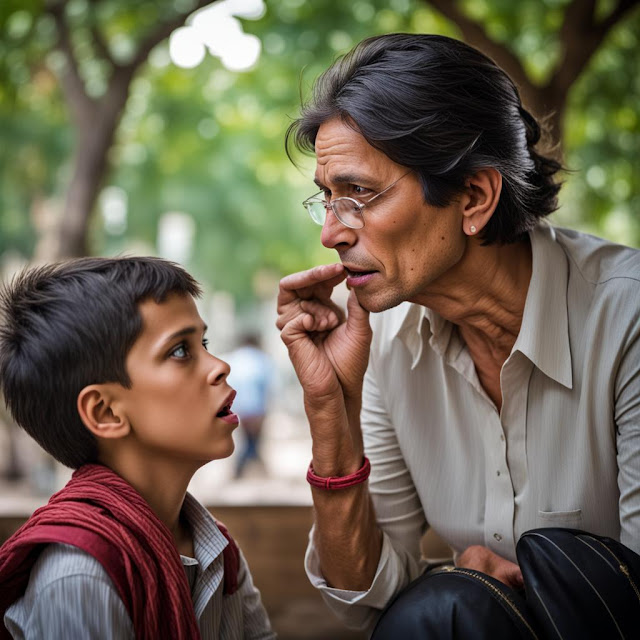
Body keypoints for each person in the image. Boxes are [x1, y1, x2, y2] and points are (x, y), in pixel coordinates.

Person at [276, 33, 640, 634]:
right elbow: (364, 603)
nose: (332, 234)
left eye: (360, 194)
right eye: (327, 199)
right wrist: (329, 410)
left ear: (473, 197)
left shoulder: (625, 317)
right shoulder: (388, 345)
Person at [0, 257, 275, 639]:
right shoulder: (81, 575)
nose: (220, 366)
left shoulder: (216, 549)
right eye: (180, 350)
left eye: (204, 342)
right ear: (106, 411)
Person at [226, 333, 274, 479]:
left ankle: (246, 469)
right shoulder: (263, 360)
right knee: (253, 440)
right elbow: (269, 387)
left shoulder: (233, 359)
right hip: (257, 409)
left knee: (248, 440)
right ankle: (249, 468)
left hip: (239, 408)